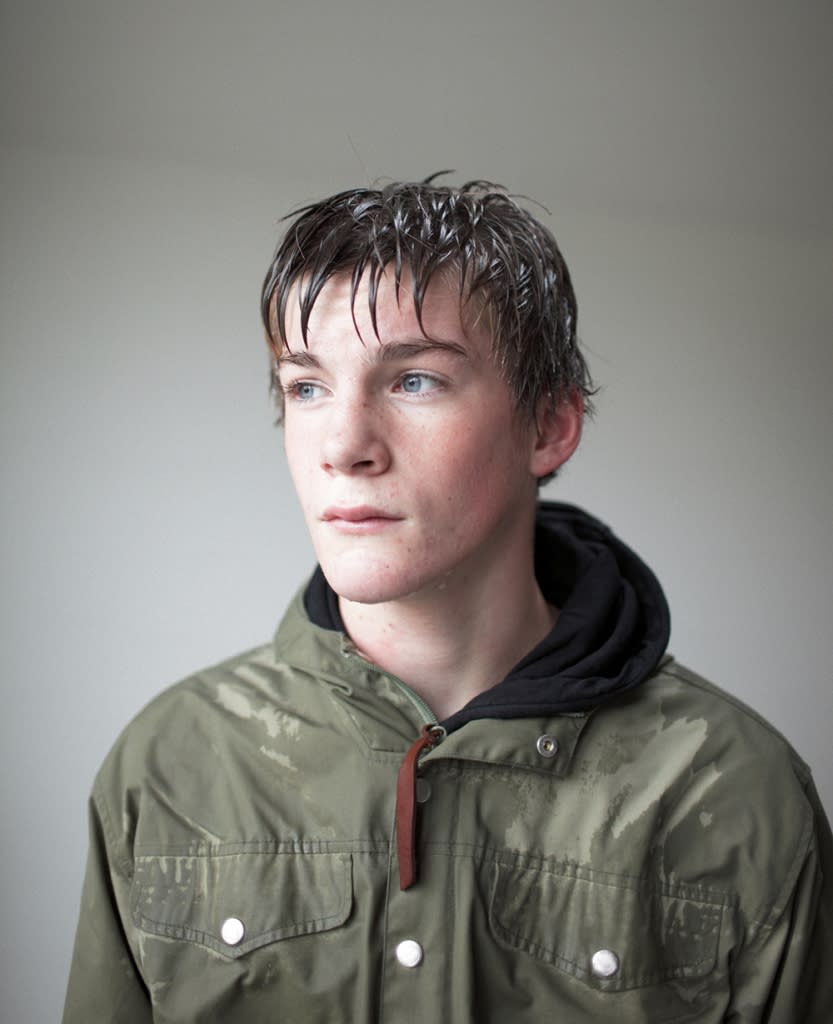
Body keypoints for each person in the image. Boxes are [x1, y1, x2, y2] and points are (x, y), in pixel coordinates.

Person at [63, 177, 833, 1023]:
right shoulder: (169, 766)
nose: (344, 446)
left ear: (546, 426)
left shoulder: (731, 793)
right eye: (306, 387)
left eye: (415, 381)